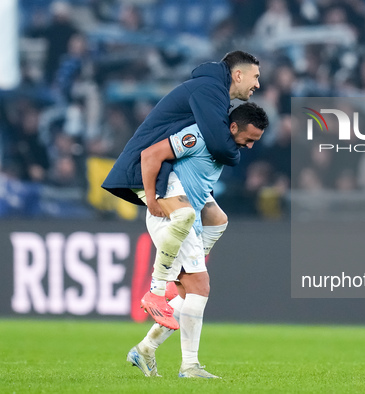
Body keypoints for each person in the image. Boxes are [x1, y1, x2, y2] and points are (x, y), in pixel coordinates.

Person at [102, 51, 261, 329]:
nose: (257, 84)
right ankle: (157, 291)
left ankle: (177, 278)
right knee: (186, 218)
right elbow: (221, 145)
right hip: (148, 168)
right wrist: (151, 196)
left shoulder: (212, 92)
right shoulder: (211, 90)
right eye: (255, 76)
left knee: (218, 219)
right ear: (238, 74)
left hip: (161, 169)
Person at [127, 102, 269, 379]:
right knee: (199, 287)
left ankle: (145, 348)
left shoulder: (224, 149)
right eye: (248, 139)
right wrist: (151, 198)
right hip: (172, 216)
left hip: (190, 218)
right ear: (232, 127)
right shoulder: (199, 137)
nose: (250, 146)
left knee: (191, 288)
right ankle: (189, 365)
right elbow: (152, 154)